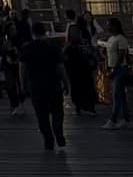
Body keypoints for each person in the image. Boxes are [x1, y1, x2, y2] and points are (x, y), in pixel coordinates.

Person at [18, 22, 68, 152]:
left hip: (36, 86)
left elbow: (22, 68)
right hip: (54, 84)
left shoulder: (26, 48)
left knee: (42, 115)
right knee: (57, 111)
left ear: (32, 33)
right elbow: (60, 68)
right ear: (45, 32)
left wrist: (23, 84)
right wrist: (66, 83)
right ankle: (58, 131)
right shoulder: (53, 47)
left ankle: (48, 140)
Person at [62, 16, 100, 117]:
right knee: (78, 89)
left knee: (86, 88)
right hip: (75, 70)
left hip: (82, 69)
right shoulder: (69, 46)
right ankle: (80, 107)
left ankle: (88, 107)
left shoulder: (81, 44)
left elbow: (89, 54)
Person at [104, 16, 133, 126]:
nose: (108, 28)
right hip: (114, 68)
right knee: (121, 95)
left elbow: (122, 56)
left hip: (120, 69)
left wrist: (115, 69)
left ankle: (113, 119)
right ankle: (126, 118)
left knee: (117, 95)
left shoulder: (121, 39)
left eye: (110, 26)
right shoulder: (111, 39)